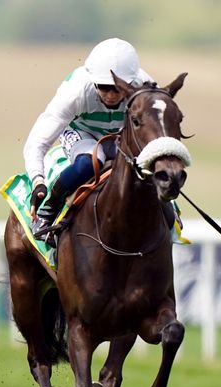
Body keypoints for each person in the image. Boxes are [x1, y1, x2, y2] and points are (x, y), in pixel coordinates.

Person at [24, 37, 154, 242]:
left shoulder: (145, 89)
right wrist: (37, 181)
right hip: (82, 133)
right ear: (93, 79)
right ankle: (50, 208)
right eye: (103, 86)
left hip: (121, 135)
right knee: (91, 160)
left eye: (118, 88)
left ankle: (168, 209)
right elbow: (37, 142)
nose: (110, 95)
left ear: (130, 83)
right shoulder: (75, 92)